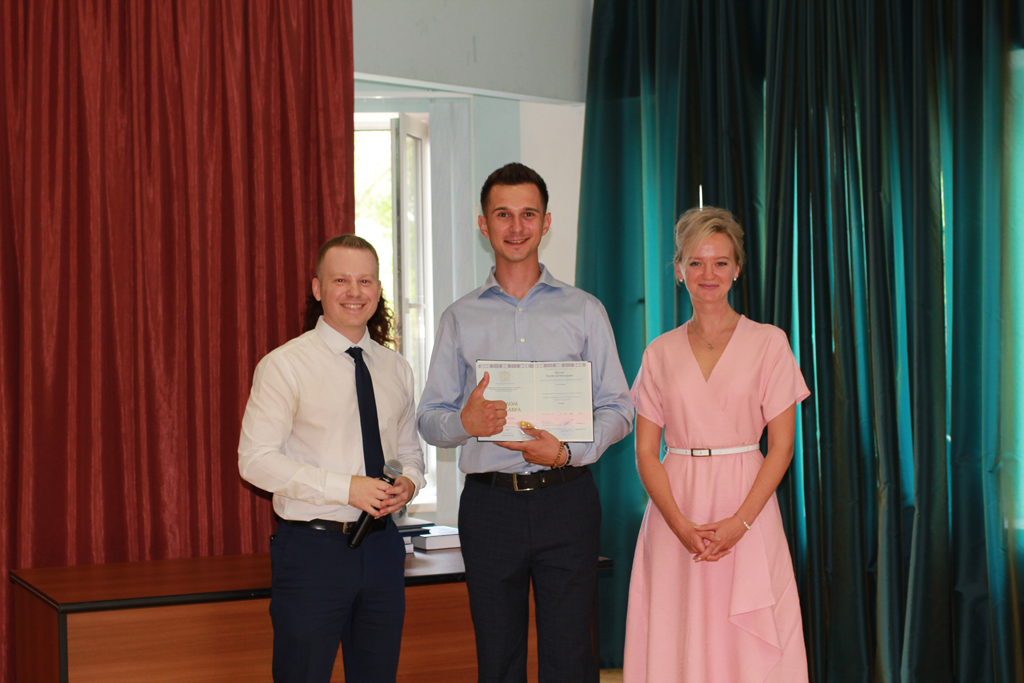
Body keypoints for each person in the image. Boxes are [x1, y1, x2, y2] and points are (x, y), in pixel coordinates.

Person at [417, 163, 633, 683]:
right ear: (483, 224)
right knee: (498, 657)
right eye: (503, 215)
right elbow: (429, 419)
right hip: (489, 506)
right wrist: (465, 422)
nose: (516, 227)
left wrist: (568, 453)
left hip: (567, 498)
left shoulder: (585, 310)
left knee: (571, 657)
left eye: (528, 214)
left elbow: (619, 407)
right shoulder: (459, 317)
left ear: (546, 222)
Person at [623, 207, 810, 683]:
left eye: (721, 262)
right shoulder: (659, 352)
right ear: (679, 269)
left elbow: (782, 447)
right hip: (676, 511)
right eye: (696, 262)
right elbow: (645, 452)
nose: (709, 274)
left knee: (748, 640)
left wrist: (740, 522)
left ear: (737, 268)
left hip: (748, 504)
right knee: (678, 630)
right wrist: (679, 524)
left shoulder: (770, 343)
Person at [238, 235, 426, 683]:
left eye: (365, 281)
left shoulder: (395, 368)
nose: (354, 292)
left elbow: (409, 453)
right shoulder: (285, 365)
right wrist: (347, 488)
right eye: (341, 280)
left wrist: (410, 482)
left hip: (383, 548)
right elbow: (255, 460)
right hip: (312, 552)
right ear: (318, 288)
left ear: (377, 289)